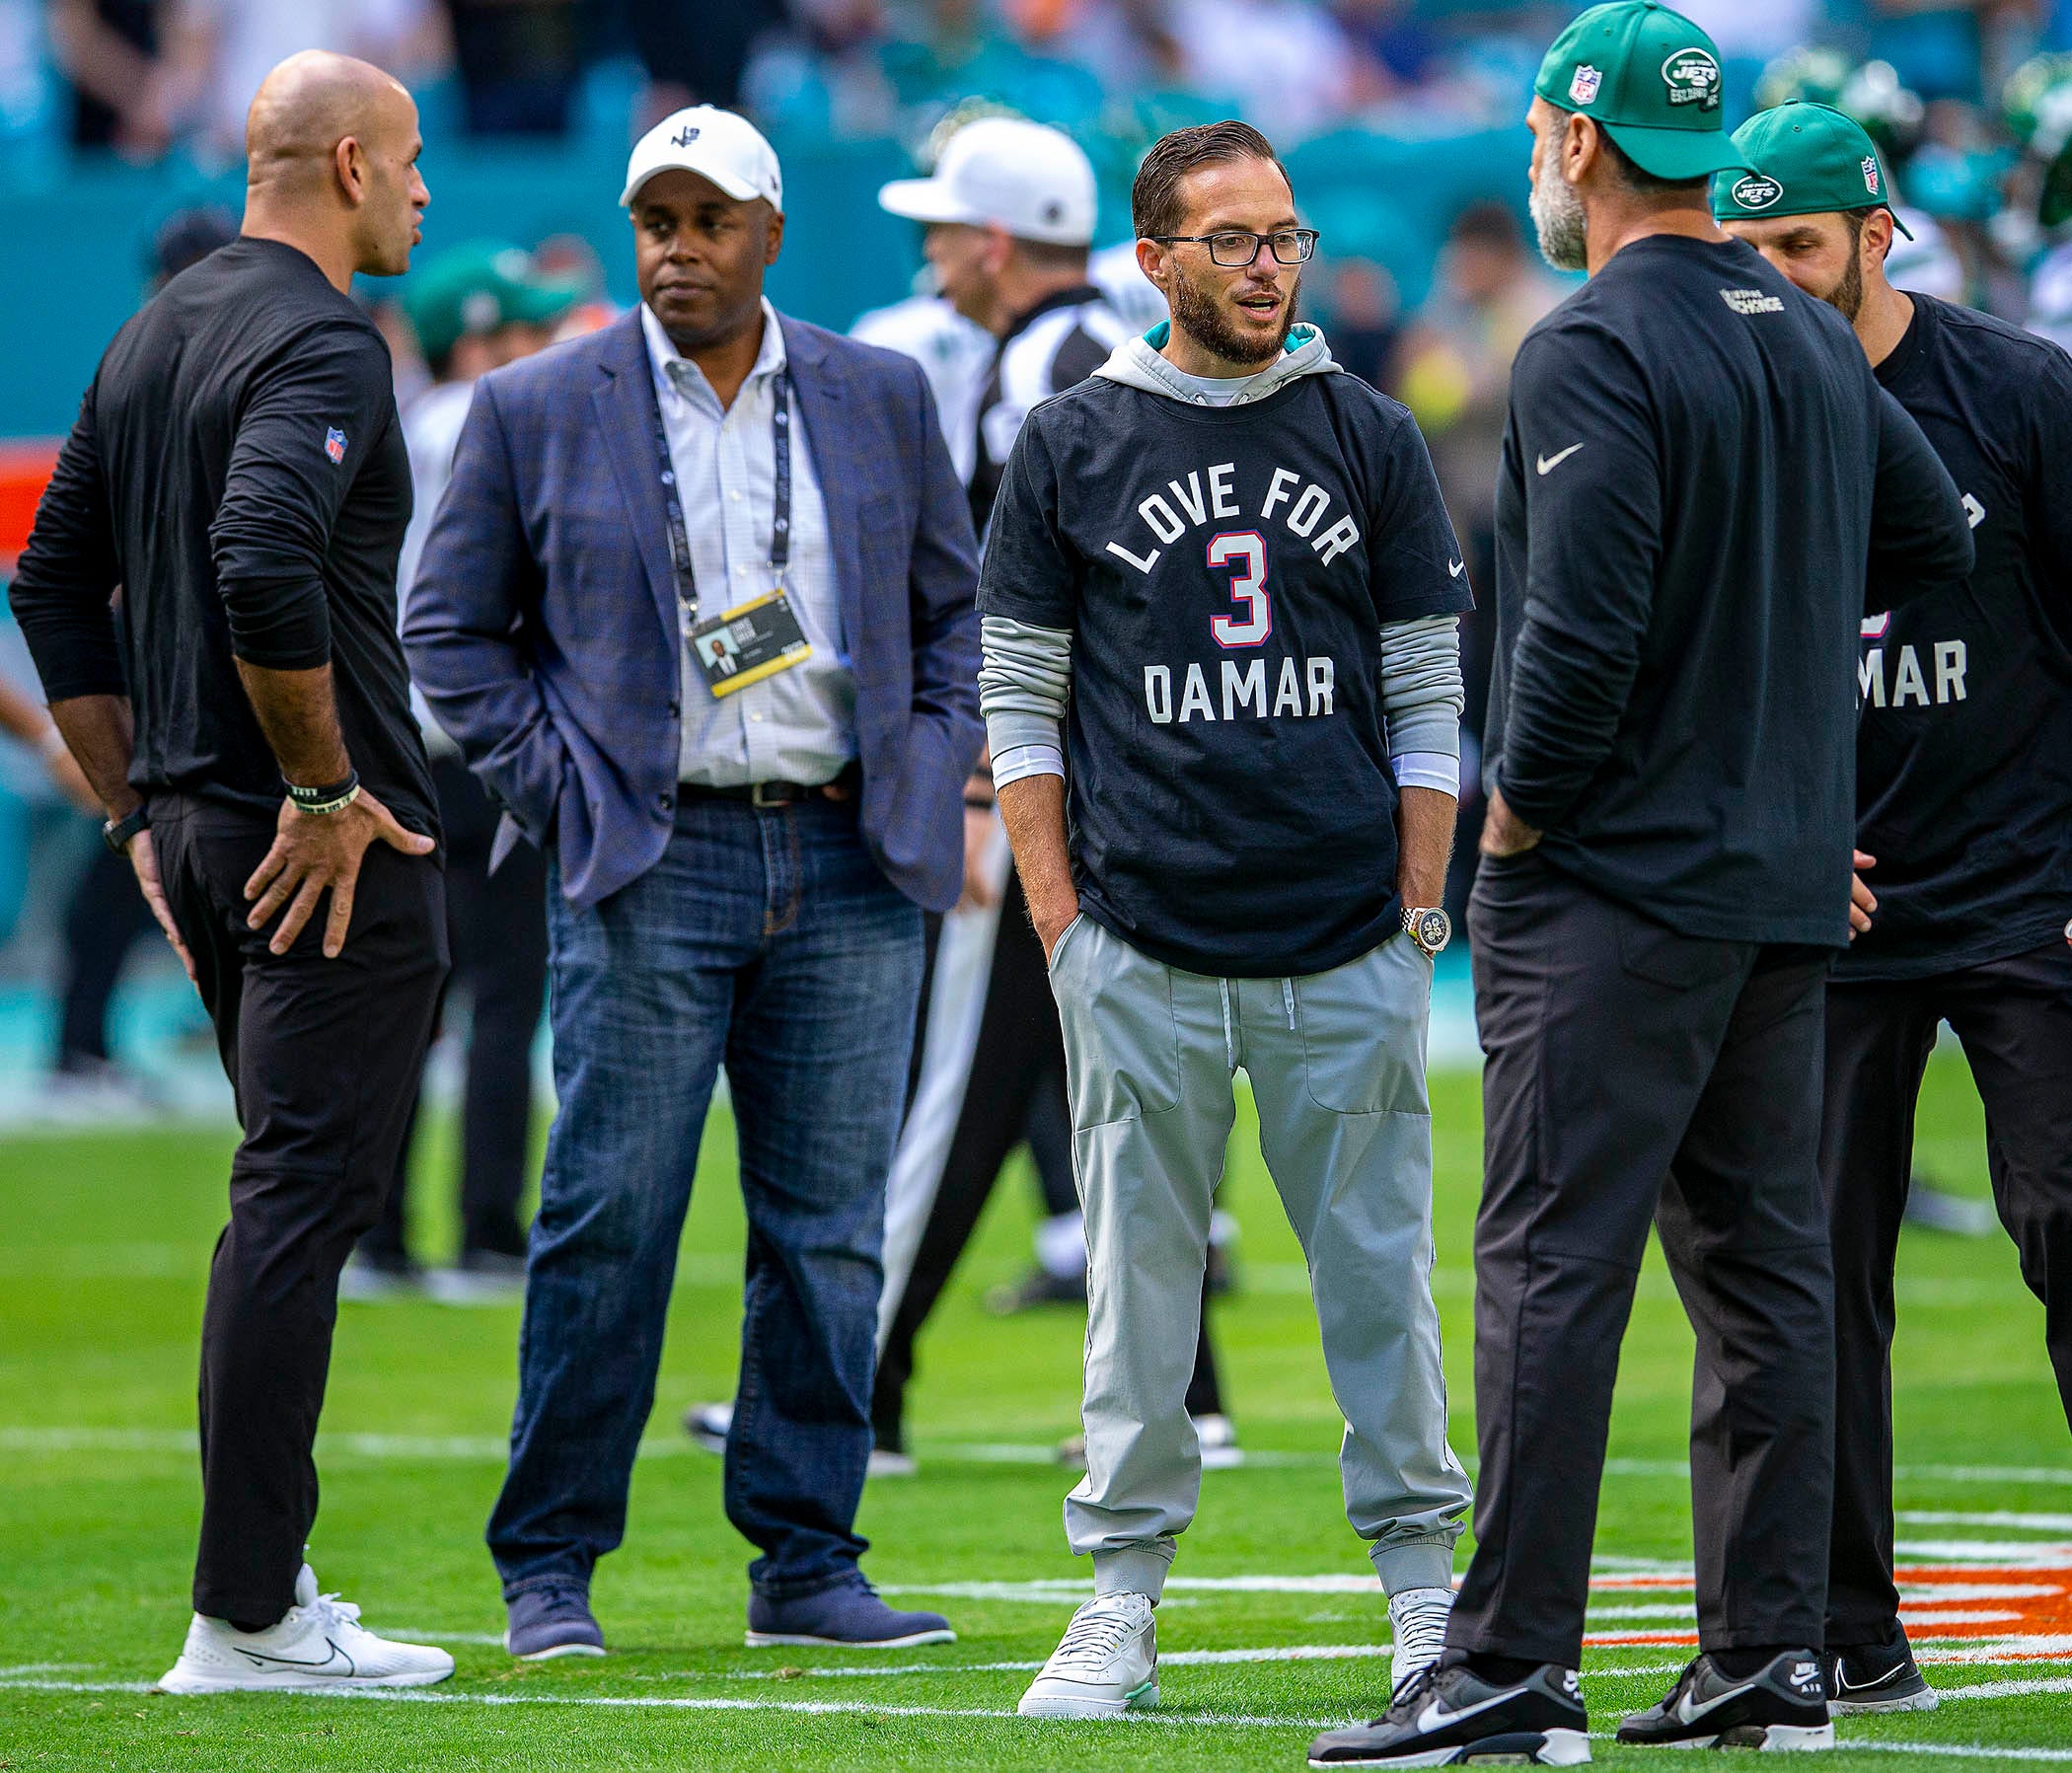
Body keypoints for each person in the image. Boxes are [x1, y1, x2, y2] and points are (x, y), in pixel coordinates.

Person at [1307, 7, 1975, 1763]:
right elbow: (1930, 536)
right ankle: (1773, 1655)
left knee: (1550, 1264)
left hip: (1618, 887)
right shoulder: (1813, 339)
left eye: (1541, 128)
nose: (1534, 155)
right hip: (1773, 886)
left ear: (1582, 139)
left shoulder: (1591, 342)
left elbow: (1580, 647)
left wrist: (1517, 819)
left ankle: (1511, 1664)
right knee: (1768, 1279)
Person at [404, 106, 982, 1661]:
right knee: (609, 1219)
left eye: (707, 219)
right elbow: (448, 632)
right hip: (651, 858)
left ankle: (806, 1561)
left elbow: (955, 612)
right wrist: (562, 783)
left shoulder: (878, 393)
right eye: (653, 219)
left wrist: (932, 762)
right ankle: (550, 1569)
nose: (677, 247)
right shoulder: (535, 403)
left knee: (830, 1232)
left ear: (770, 233)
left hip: (853, 855)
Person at [980, 117, 1476, 1721]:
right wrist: (1062, 926)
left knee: (1379, 1288)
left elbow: (1424, 691)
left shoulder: (1371, 430)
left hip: (1343, 936)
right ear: (1154, 260)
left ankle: (1424, 1598)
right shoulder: (1070, 440)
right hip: (1141, 939)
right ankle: (1119, 1600)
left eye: (1286, 238)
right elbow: (1021, 708)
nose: (1267, 268)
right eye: (1234, 242)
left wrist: (1416, 903)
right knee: (1137, 1300)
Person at [9, 50, 453, 1693]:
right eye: (409, 164)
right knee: (294, 1207)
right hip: (317, 846)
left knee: (279, 1196)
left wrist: (137, 815)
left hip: (200, 833)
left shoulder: (157, 325)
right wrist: (325, 784)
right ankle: (249, 1612)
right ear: (346, 162)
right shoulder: (321, 330)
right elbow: (264, 550)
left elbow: (55, 587)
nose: (424, 194)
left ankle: (262, 1590)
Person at [1718, 101, 2072, 1716]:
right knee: (1807, 1280)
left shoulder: (2021, 390)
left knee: (2069, 1223)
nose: (1778, 280)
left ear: (1875, 232)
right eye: (1748, 252)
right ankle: (1850, 1626)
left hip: (2027, 888)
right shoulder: (1721, 409)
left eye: (1799, 244)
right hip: (1820, 904)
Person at [870, 113, 1246, 1474]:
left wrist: (988, 784)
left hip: (1066, 794)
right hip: (1146, 786)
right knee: (1124, 1095)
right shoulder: (1105, 350)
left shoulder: (1049, 364)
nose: (928, 253)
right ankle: (1191, 1384)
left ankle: (859, 1386)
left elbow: (1043, 601)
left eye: (941, 228)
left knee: (959, 1100)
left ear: (990, 239)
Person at [345, 240, 581, 1303]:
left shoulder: (402, 422)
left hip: (400, 740)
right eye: (528, 328)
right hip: (479, 750)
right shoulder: (481, 422)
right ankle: (488, 1229)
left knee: (409, 998)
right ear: (482, 339)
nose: (546, 344)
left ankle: (381, 1231)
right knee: (502, 997)